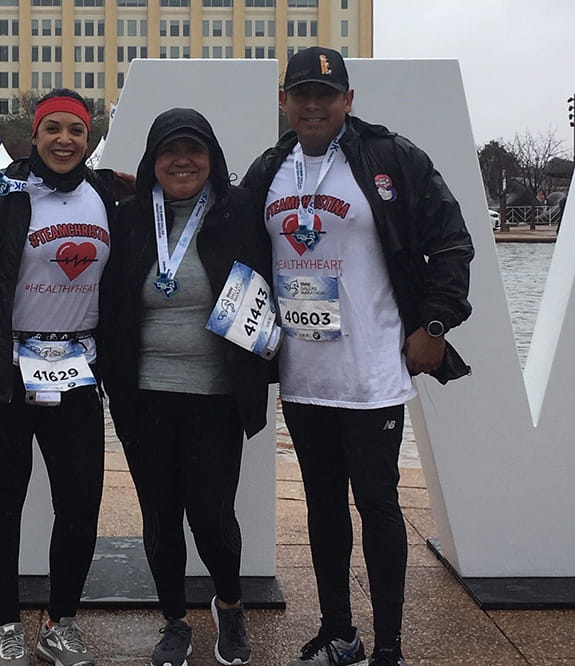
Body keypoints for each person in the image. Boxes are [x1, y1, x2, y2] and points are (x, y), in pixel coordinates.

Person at [241, 47, 474, 666]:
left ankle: (390, 646)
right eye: (302, 94)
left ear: (348, 100)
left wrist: (435, 322)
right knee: (321, 507)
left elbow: (453, 242)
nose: (313, 104)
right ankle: (339, 632)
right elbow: (223, 229)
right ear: (284, 101)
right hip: (302, 374)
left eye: (327, 93)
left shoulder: (391, 158)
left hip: (371, 374)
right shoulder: (270, 168)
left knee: (377, 502)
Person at [0, 89, 123, 666]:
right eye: (53, 129)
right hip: (1, 373)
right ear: (34, 135)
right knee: (3, 499)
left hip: (77, 373)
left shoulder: (108, 194)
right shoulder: (5, 192)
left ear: (88, 139)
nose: (64, 140)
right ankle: (7, 624)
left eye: (77, 131)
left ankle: (60, 623)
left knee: (81, 502)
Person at [100, 107, 274, 666]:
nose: (181, 161)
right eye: (168, 151)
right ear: (152, 161)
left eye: (193, 150)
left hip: (216, 398)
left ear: (212, 159)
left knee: (212, 516)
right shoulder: (128, 219)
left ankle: (230, 606)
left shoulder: (239, 211)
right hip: (144, 397)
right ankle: (174, 620)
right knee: (159, 517)